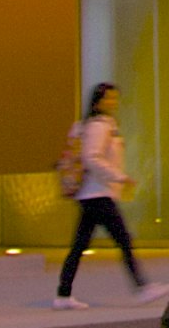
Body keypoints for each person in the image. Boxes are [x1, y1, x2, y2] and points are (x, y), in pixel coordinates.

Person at [53, 82, 143, 307]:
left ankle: (63, 294)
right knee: (123, 240)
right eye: (109, 98)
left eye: (115, 98)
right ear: (98, 101)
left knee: (79, 245)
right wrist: (119, 177)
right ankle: (141, 286)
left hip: (90, 193)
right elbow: (92, 157)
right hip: (97, 192)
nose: (113, 103)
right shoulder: (99, 125)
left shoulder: (86, 125)